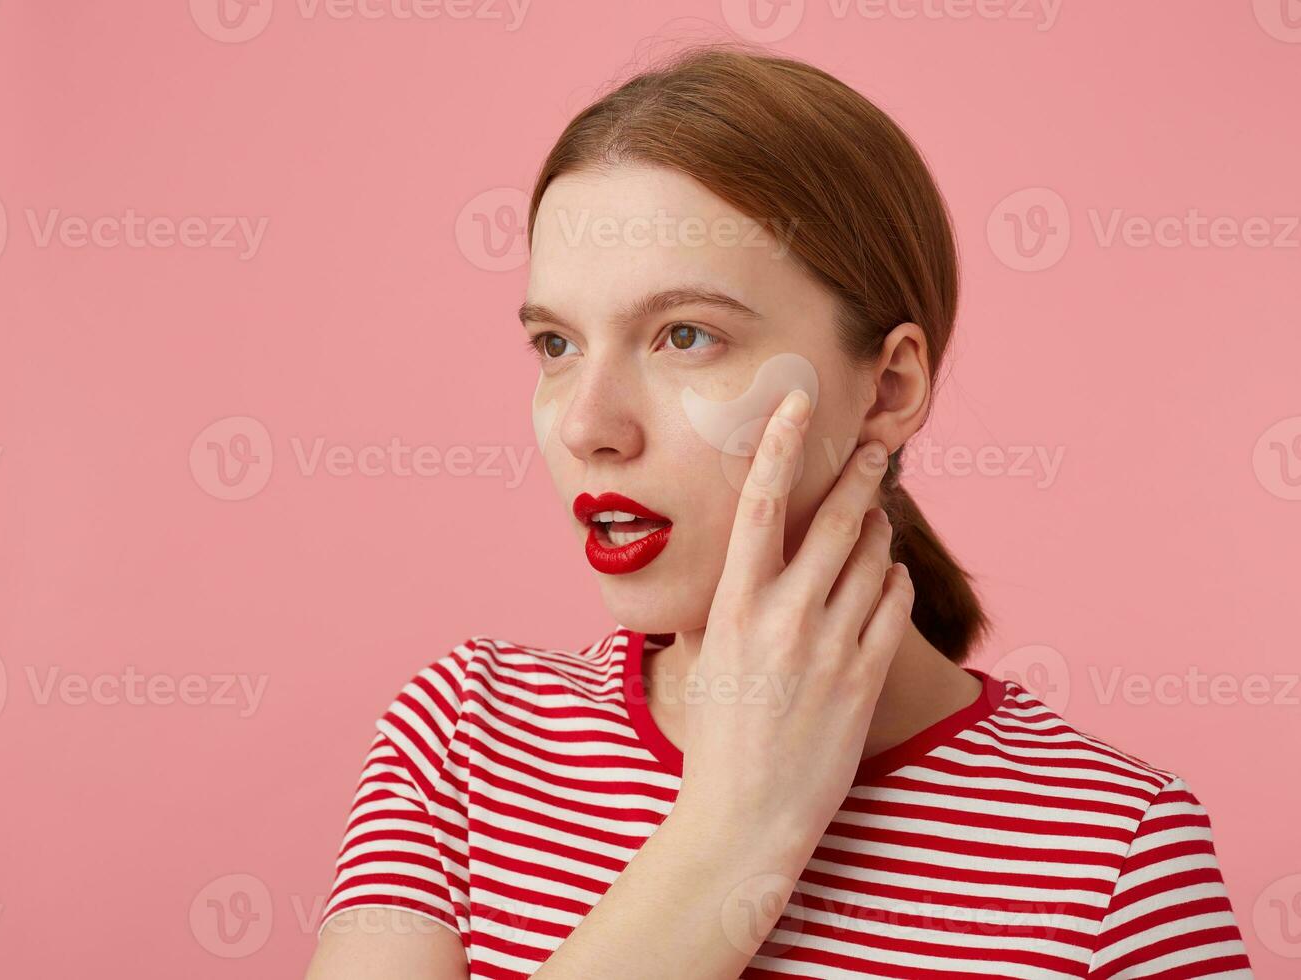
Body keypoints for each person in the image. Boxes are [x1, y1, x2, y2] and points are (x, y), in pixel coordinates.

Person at [304, 44, 1252, 979]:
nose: (588, 425)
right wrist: (730, 829)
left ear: (887, 387)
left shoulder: (1113, 852)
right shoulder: (466, 740)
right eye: (556, 343)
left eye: (685, 336)